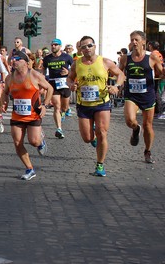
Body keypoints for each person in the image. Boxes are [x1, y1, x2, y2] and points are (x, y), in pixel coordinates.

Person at [66, 36, 124, 177]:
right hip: (84, 104)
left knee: (102, 132)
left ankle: (100, 164)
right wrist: (71, 85)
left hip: (101, 103)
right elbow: (69, 78)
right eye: (83, 47)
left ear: (95, 46)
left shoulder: (105, 62)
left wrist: (116, 86)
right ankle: (93, 138)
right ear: (80, 49)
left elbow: (120, 74)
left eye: (89, 45)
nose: (87, 49)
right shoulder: (76, 64)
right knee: (87, 138)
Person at [1, 51, 53, 180]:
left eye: (16, 59)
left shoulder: (34, 75)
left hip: (33, 114)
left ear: (25, 61)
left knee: (34, 141)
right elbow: (5, 92)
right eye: (12, 59)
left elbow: (50, 88)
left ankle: (40, 140)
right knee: (17, 142)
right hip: (17, 115)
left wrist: (45, 105)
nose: (13, 61)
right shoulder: (9, 77)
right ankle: (30, 169)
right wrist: (4, 102)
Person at [119, 31, 163, 164]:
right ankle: (135, 129)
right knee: (129, 120)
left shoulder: (152, 58)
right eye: (132, 40)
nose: (134, 42)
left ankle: (147, 151)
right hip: (131, 94)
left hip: (147, 95)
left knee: (148, 125)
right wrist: (118, 85)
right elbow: (120, 73)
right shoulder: (125, 58)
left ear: (144, 42)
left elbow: (161, 73)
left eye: (137, 40)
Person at [42, 38, 74, 139]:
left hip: (65, 83)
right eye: (52, 45)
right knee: (57, 106)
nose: (53, 46)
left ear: (60, 46)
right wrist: (43, 81)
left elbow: (75, 69)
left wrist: (68, 73)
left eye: (56, 45)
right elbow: (43, 70)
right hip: (53, 83)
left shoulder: (67, 57)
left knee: (64, 107)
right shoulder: (47, 59)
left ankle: (64, 112)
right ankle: (59, 128)